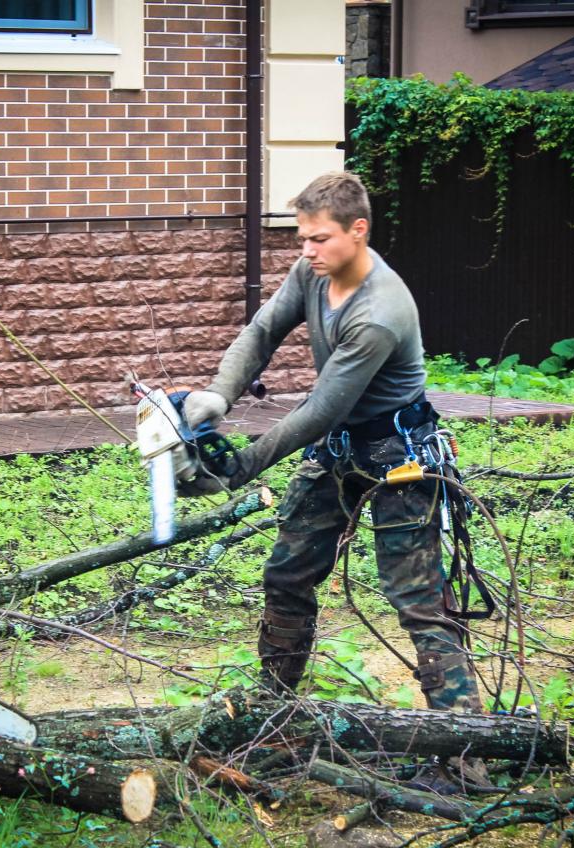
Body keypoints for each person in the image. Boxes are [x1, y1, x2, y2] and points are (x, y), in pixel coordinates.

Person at [178, 172, 485, 785]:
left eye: (319, 239)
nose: (307, 250)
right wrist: (218, 394)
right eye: (303, 238)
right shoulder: (311, 274)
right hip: (339, 448)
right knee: (287, 574)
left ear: (358, 230)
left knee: (419, 603)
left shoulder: (379, 312)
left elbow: (321, 408)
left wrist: (239, 467)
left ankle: (465, 754)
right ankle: (271, 722)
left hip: (400, 455)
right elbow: (262, 331)